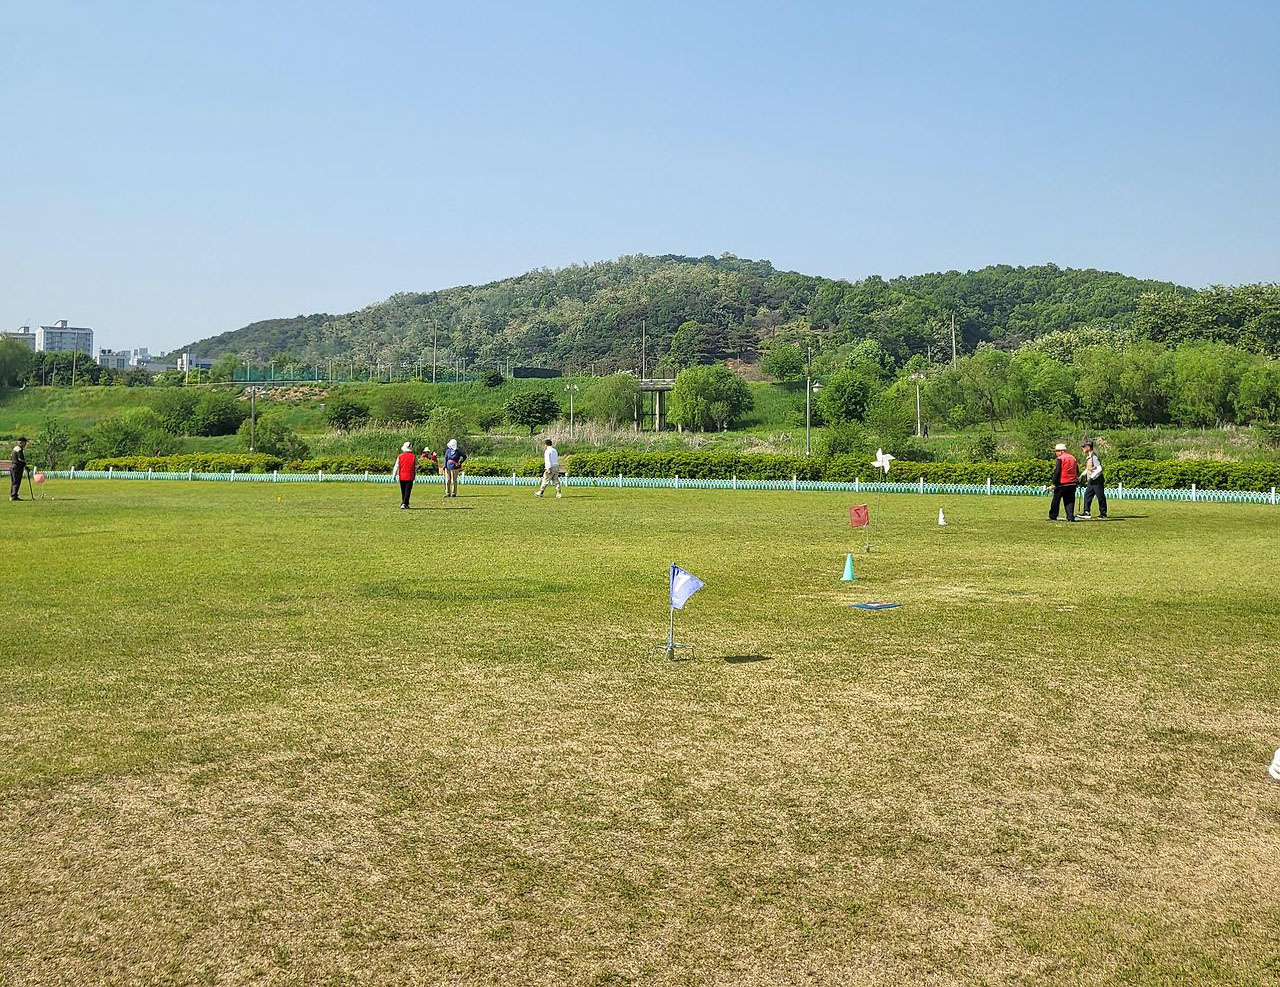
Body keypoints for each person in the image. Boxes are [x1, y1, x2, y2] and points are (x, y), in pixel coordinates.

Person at [1048, 442, 1078, 522]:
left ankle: (1053, 515)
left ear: (1061, 451)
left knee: (1056, 500)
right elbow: (1077, 470)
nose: (1056, 453)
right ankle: (1070, 516)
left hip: (1062, 482)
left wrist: (1054, 482)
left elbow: (1057, 471)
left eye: (1056, 451)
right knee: (1070, 500)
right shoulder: (1073, 458)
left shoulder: (1060, 458)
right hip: (1072, 482)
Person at [1079, 440, 1107, 519]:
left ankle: (1103, 513)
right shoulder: (1089, 457)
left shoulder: (1094, 457)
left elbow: (1099, 468)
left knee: (1100, 496)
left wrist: (1092, 477)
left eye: (1083, 447)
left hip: (1097, 480)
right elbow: (1089, 468)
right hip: (1092, 480)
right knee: (1087, 495)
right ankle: (1086, 512)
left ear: (1088, 447)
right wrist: (1082, 475)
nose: (1082, 448)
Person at [393, 441, 417, 509]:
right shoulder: (413, 456)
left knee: (403, 490)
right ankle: (405, 503)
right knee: (408, 490)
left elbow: (396, 466)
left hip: (402, 475)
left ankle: (404, 502)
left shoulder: (400, 456)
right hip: (410, 476)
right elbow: (417, 465)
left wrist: (394, 475)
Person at [9, 437, 27, 501]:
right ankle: (14, 496)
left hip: (13, 466)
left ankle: (13, 495)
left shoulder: (15, 448)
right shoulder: (19, 449)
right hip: (17, 467)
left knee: (14, 482)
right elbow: (21, 459)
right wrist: (25, 465)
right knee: (16, 482)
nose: (25, 445)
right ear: (22, 442)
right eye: (25, 443)